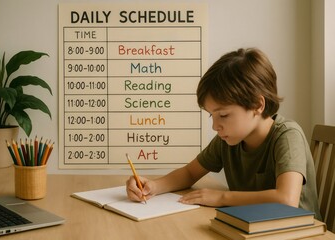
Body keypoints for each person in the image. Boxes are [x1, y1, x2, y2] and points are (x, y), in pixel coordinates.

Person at [126, 48, 322, 220]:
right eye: (211, 115)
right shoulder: (229, 139)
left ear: (257, 105)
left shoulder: (287, 135)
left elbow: (286, 200)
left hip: (298, 232)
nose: (215, 126)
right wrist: (152, 186)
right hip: (251, 227)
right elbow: (190, 173)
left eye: (224, 115)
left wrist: (221, 197)